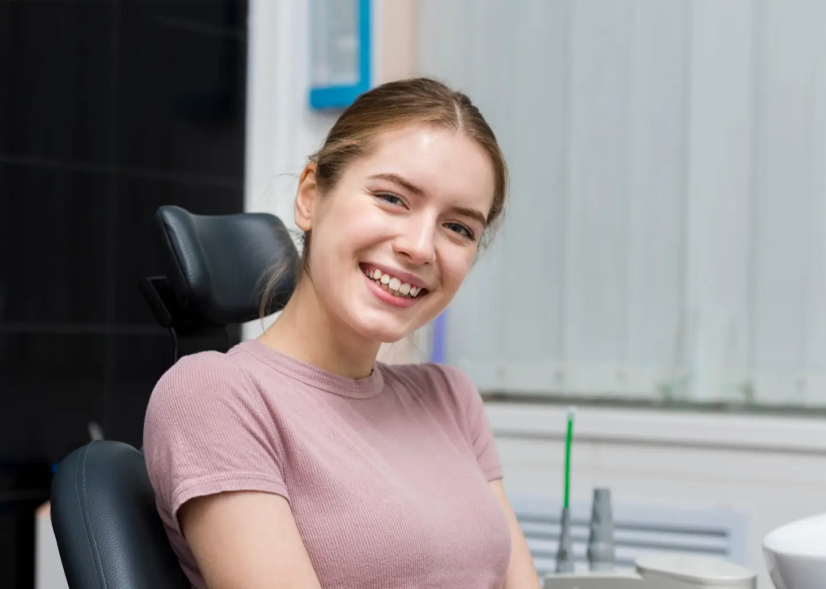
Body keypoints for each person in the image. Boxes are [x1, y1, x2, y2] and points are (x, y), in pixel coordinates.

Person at [143, 78, 540, 589]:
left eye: (459, 228)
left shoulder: (450, 399)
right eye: (393, 198)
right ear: (310, 196)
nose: (420, 248)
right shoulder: (215, 395)